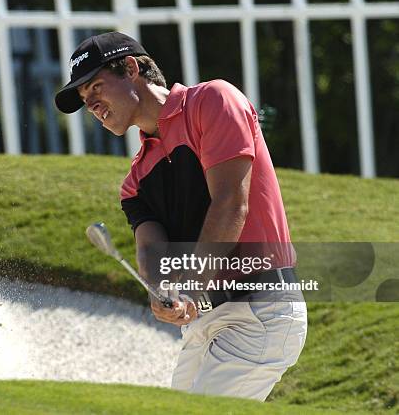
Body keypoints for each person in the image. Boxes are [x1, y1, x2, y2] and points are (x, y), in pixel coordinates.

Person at [55, 31, 307, 401]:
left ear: (130, 68)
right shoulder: (136, 181)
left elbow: (230, 203)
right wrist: (162, 288)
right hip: (203, 324)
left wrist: (191, 284)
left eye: (95, 88)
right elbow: (152, 250)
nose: (91, 105)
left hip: (259, 311)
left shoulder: (213, 101)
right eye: (84, 99)